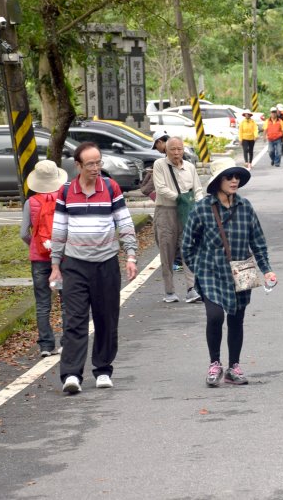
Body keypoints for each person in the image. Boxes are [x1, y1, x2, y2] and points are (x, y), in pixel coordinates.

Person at [49, 142, 138, 394]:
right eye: (91, 164)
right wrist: (55, 265)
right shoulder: (66, 192)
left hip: (106, 264)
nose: (96, 168)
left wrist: (131, 255)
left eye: (99, 162)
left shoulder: (110, 188)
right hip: (75, 265)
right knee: (74, 321)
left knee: (106, 319)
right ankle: (71, 375)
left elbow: (125, 222)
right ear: (78, 166)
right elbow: (59, 230)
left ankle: (102, 369)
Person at [182, 157, 276, 387]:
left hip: (241, 270)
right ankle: (215, 363)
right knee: (215, 317)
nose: (234, 180)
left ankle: (234, 366)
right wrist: (199, 269)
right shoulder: (202, 208)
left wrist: (267, 270)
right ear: (217, 182)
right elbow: (187, 245)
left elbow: (258, 242)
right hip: (211, 273)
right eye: (228, 177)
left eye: (237, 177)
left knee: (237, 319)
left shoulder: (245, 207)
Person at [21, 159, 68, 357]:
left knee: (42, 303)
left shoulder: (30, 203)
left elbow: (23, 233)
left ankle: (46, 346)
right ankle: (66, 342)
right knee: (66, 301)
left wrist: (35, 244)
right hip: (64, 256)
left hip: (39, 258)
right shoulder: (65, 199)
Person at [153, 136, 204, 303]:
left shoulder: (190, 167)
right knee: (167, 250)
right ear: (166, 150)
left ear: (183, 150)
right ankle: (169, 291)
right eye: (172, 149)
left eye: (179, 149)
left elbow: (198, 189)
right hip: (166, 211)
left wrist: (198, 205)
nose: (176, 152)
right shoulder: (159, 165)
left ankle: (191, 288)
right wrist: (180, 198)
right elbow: (160, 188)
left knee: (188, 248)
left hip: (187, 212)